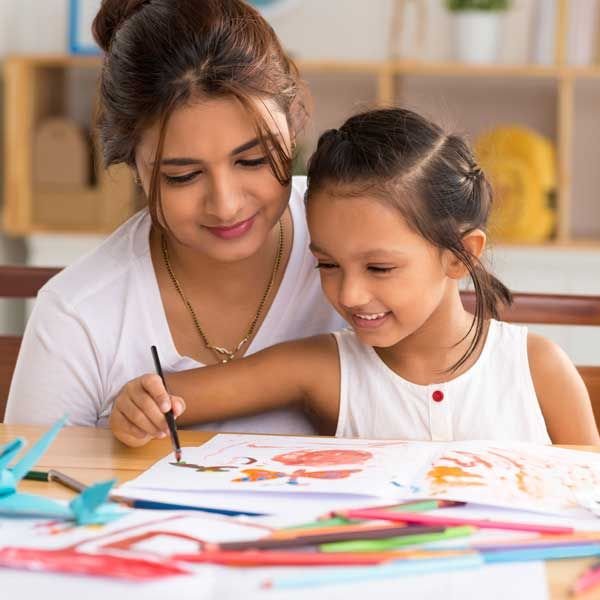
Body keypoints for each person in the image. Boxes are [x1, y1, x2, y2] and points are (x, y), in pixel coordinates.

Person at [110, 107, 600, 447]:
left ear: (460, 256)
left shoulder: (537, 369)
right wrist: (141, 403)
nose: (349, 293)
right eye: (327, 264)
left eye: (380, 267)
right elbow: (168, 398)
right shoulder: (323, 368)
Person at [4, 0, 345, 433]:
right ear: (136, 169)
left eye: (253, 160)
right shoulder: (78, 314)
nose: (225, 205)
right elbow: (29, 488)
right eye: (183, 176)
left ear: (293, 127)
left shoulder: (362, 240)